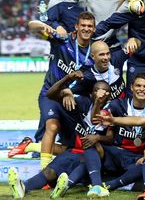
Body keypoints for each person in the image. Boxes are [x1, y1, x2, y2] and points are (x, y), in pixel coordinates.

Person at [8, 12, 97, 170]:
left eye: (89, 26)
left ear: (94, 29)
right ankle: (45, 174)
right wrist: (46, 27)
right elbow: (31, 27)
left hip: (73, 101)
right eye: (83, 25)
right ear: (76, 26)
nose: (86, 28)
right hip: (50, 95)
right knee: (52, 127)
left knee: (72, 147)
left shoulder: (94, 52)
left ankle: (30, 146)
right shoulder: (62, 40)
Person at [8, 75, 112, 199]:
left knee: (89, 155)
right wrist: (67, 80)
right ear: (91, 93)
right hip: (74, 150)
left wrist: (98, 138)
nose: (101, 93)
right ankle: (23, 187)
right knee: (49, 172)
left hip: (95, 156)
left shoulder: (112, 109)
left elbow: (107, 134)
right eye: (96, 90)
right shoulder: (82, 103)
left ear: (110, 95)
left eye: (105, 91)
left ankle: (69, 185)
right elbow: (50, 94)